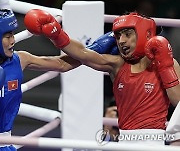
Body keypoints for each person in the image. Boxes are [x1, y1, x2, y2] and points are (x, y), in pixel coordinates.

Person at [24, 9, 180, 145]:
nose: (122, 41)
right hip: (124, 141)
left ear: (146, 35)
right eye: (118, 36)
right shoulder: (117, 64)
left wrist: (165, 67)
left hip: (155, 141)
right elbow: (83, 54)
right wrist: (57, 34)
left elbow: (178, 102)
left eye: (127, 34)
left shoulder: (167, 63)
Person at [0, 9, 83, 151]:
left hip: (5, 143)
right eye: (7, 36)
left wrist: (59, 37)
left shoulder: (20, 60)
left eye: (13, 35)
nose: (13, 41)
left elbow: (63, 64)